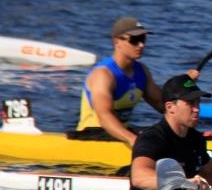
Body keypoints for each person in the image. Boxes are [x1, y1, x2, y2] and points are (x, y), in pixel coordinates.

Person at [75, 17, 190, 147]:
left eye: (143, 39)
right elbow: (105, 117)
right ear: (116, 42)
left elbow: (163, 105)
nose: (141, 45)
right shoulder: (103, 75)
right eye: (135, 40)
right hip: (93, 135)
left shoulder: (141, 71)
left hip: (120, 134)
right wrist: (133, 140)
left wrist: (184, 85)